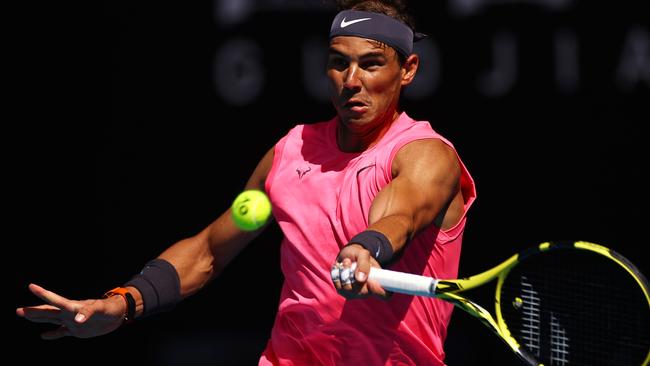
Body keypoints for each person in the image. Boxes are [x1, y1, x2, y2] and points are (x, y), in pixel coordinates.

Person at [16, 0, 476, 364]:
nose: (351, 81)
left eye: (372, 64)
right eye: (339, 63)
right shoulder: (290, 152)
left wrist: (368, 247)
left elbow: (401, 212)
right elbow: (208, 251)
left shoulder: (426, 155)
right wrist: (123, 302)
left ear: (408, 69)